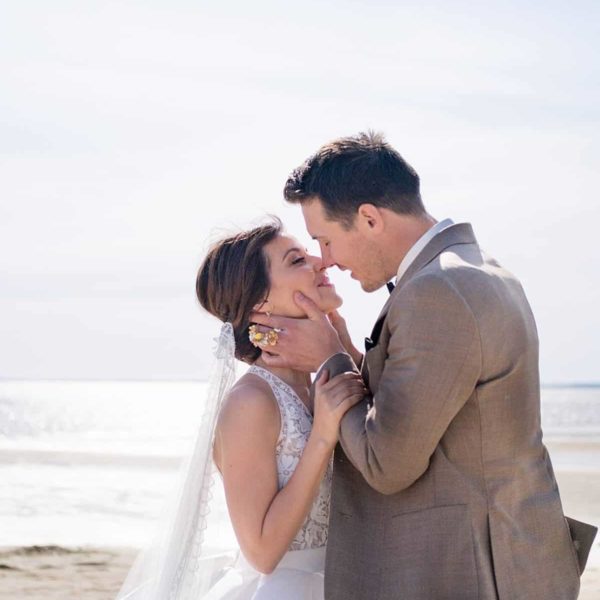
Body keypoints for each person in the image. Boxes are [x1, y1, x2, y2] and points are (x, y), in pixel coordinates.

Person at [250, 132, 597, 600]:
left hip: (475, 573)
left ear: (369, 218)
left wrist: (329, 358)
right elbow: (427, 403)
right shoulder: (472, 270)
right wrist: (350, 353)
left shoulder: (440, 292)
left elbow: (386, 462)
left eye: (326, 240)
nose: (327, 260)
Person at [116, 218, 365, 600]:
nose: (320, 261)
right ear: (260, 302)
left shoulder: (321, 383)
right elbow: (262, 552)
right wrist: (320, 437)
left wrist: (343, 349)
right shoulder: (251, 401)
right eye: (297, 260)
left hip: (348, 579)